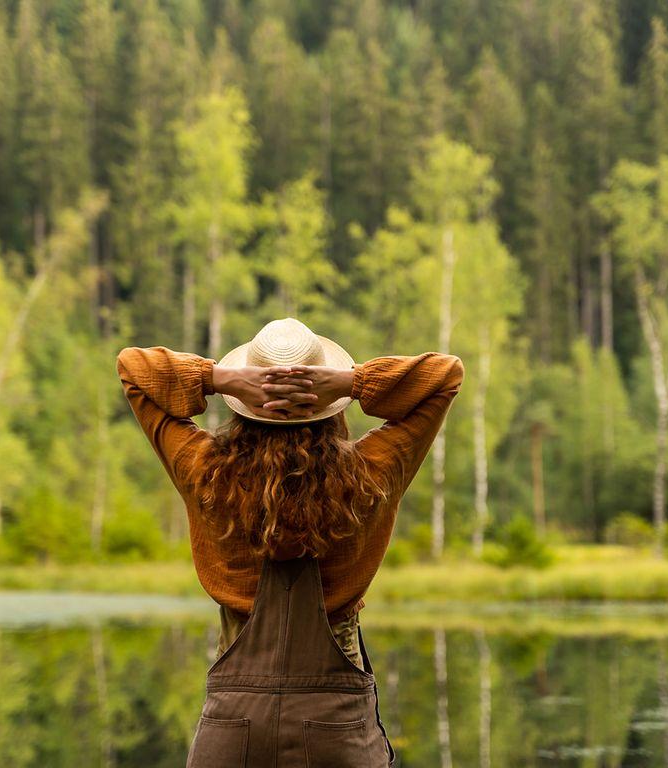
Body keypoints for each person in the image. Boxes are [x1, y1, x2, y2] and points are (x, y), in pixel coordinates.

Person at [116, 317, 464, 767]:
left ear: (246, 403)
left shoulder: (205, 473)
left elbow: (134, 369)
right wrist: (354, 382)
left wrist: (219, 379)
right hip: (335, 722)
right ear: (327, 403)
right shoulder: (370, 474)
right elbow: (445, 376)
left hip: (232, 724)